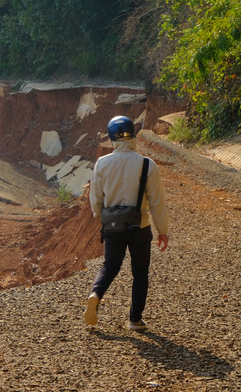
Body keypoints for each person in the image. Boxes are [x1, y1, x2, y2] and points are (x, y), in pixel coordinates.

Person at [85, 115, 169, 331]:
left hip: (112, 226)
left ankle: (95, 294)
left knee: (110, 266)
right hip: (139, 227)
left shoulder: (102, 164)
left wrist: (100, 216)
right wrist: (162, 231)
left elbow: (96, 200)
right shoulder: (146, 165)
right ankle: (134, 320)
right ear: (133, 135)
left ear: (112, 138)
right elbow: (156, 202)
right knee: (140, 272)